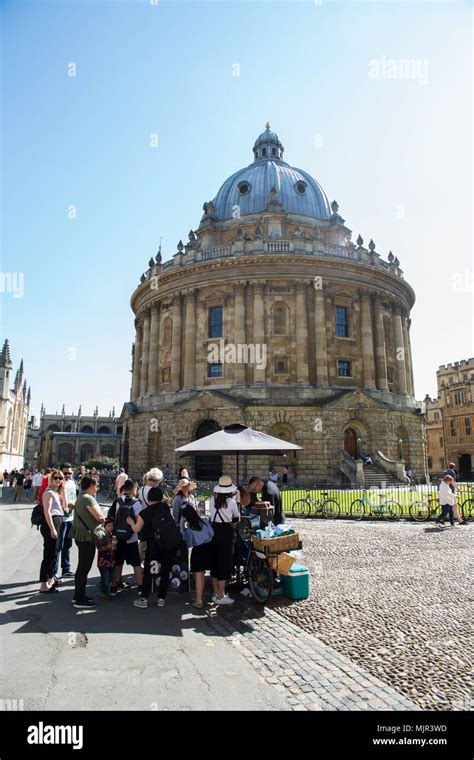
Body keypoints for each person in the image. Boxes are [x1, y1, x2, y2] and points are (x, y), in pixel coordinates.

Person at [127, 486, 179, 608]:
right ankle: (161, 598)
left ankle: (144, 598)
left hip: (154, 545)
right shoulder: (165, 508)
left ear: (148, 498)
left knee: (149, 571)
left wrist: (130, 522)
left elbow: (136, 529)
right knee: (165, 571)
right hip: (168, 544)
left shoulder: (145, 512)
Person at [70, 475, 105, 608]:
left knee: (82, 567)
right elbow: (100, 517)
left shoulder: (82, 496)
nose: (98, 487)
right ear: (90, 486)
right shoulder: (88, 499)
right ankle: (79, 598)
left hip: (82, 535)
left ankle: (79, 595)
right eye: (96, 485)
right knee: (84, 568)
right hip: (87, 537)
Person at [209, 475, 239, 605]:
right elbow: (236, 518)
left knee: (215, 563)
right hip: (226, 532)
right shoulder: (231, 502)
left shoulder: (212, 500)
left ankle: (216, 593)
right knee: (223, 563)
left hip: (214, 530)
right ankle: (221, 595)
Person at [109, 480, 143, 596]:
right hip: (131, 537)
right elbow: (139, 519)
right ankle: (140, 587)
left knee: (118, 561)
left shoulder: (118, 501)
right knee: (136, 563)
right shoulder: (136, 503)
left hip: (119, 536)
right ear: (134, 489)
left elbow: (113, 517)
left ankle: (114, 585)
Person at [180, 503, 214, 610]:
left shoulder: (190, 529)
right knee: (202, 575)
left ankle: (199, 600)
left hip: (198, 551)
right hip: (208, 549)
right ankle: (200, 596)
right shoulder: (204, 522)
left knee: (198, 575)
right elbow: (211, 534)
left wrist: (183, 529)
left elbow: (189, 543)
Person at [39, 470, 67, 593]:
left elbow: (65, 507)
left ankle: (50, 580)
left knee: (54, 554)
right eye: (55, 478)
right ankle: (43, 585)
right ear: (51, 479)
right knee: (49, 555)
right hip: (51, 524)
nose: (58, 480)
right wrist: (52, 529)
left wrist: (64, 490)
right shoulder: (49, 493)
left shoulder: (56, 492)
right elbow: (47, 512)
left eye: (60, 478)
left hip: (58, 522)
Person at [53, 463, 77, 580]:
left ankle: (66, 569)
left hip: (70, 517)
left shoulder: (72, 483)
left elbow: (74, 497)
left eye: (70, 473)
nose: (68, 475)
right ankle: (54, 571)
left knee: (68, 545)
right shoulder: (58, 485)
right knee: (58, 546)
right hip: (61, 518)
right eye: (65, 473)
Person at [137, 468, 164, 562]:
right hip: (153, 520)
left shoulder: (141, 489)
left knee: (143, 542)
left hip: (143, 518)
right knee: (153, 543)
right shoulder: (154, 491)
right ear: (157, 480)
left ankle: (140, 562)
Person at [96, 518, 116, 599]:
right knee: (106, 576)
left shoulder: (113, 536)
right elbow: (99, 548)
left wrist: (114, 547)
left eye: (112, 526)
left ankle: (101, 584)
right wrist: (107, 547)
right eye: (109, 526)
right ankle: (104, 592)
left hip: (112, 560)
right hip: (103, 561)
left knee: (111, 576)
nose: (111, 527)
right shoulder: (102, 536)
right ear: (104, 526)